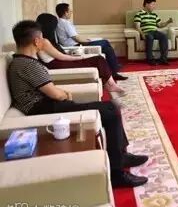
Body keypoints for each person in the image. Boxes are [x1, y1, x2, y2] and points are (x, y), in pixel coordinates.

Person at [7, 20, 148, 187]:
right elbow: (55, 94)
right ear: (37, 41)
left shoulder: (21, 61)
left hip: (46, 104)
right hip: (44, 108)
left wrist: (61, 93)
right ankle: (117, 173)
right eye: (42, 38)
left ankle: (121, 156)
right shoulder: (27, 65)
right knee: (110, 111)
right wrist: (64, 93)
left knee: (110, 107)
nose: (44, 41)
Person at [36, 14, 124, 94]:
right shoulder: (44, 41)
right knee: (99, 59)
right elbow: (61, 57)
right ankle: (111, 85)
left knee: (98, 59)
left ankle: (109, 83)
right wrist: (80, 58)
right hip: (59, 64)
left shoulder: (42, 40)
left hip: (58, 63)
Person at [55, 3, 126, 81]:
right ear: (65, 13)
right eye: (70, 11)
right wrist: (88, 41)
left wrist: (89, 40)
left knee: (107, 49)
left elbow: (76, 37)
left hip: (75, 45)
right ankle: (114, 68)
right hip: (75, 47)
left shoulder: (60, 22)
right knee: (105, 42)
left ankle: (113, 69)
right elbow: (77, 39)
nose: (71, 13)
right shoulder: (65, 23)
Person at [133, 0, 173, 66]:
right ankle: (150, 59)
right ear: (146, 4)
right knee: (150, 37)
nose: (154, 6)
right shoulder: (139, 14)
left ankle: (163, 59)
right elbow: (137, 26)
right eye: (153, 4)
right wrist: (142, 34)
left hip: (154, 31)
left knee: (164, 36)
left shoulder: (154, 15)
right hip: (146, 32)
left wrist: (168, 22)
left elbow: (160, 25)